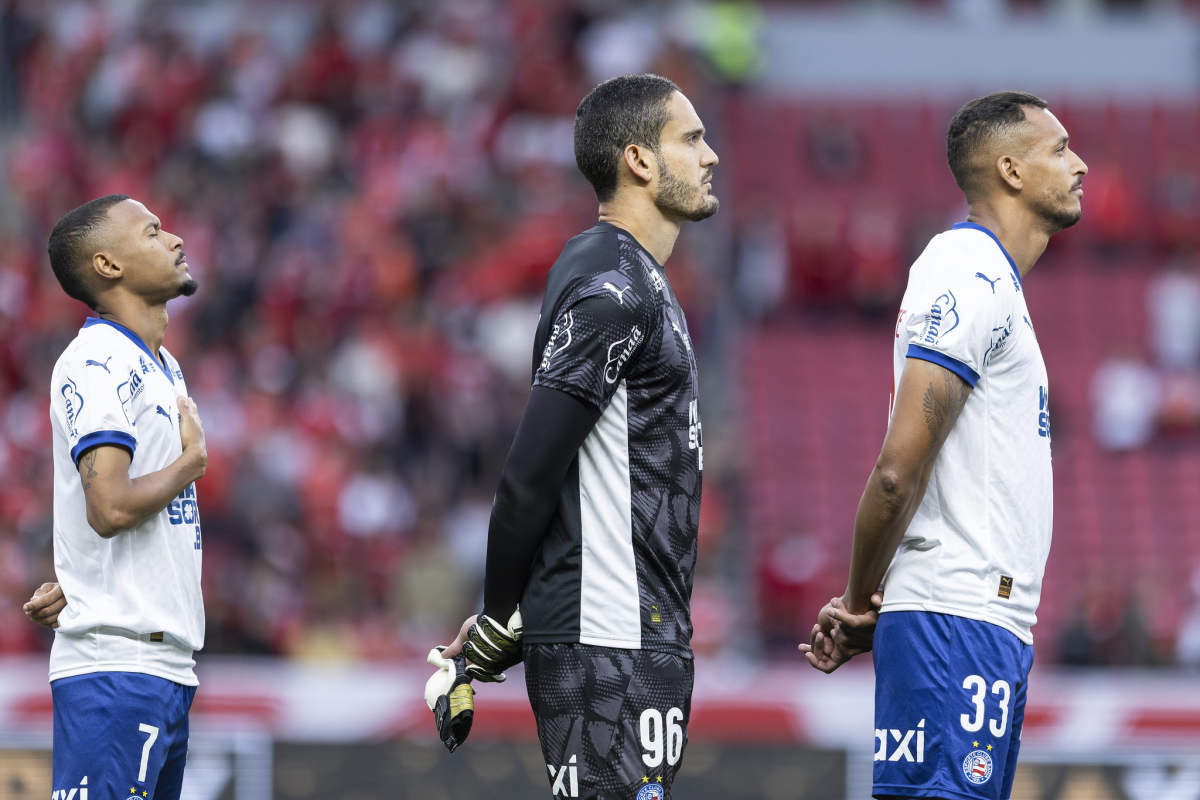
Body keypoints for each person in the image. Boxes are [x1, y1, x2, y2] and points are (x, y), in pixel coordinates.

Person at [799, 91, 1087, 800]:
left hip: (978, 622)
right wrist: (862, 596)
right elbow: (899, 471)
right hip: (956, 620)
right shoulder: (966, 269)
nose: (1079, 165)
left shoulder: (996, 285)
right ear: (1011, 170)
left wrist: (879, 610)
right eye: (1060, 149)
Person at [439, 73, 718, 799]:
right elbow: (529, 472)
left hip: (632, 627)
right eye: (692, 139)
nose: (710, 155)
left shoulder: (638, 280)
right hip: (609, 632)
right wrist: (500, 612)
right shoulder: (614, 288)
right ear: (639, 161)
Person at [40, 194, 207, 800]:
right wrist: (190, 464)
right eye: (154, 231)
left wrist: (78, 574)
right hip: (116, 670)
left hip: (163, 669)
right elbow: (108, 506)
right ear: (109, 265)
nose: (175, 239)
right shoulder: (96, 360)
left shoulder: (164, 365)